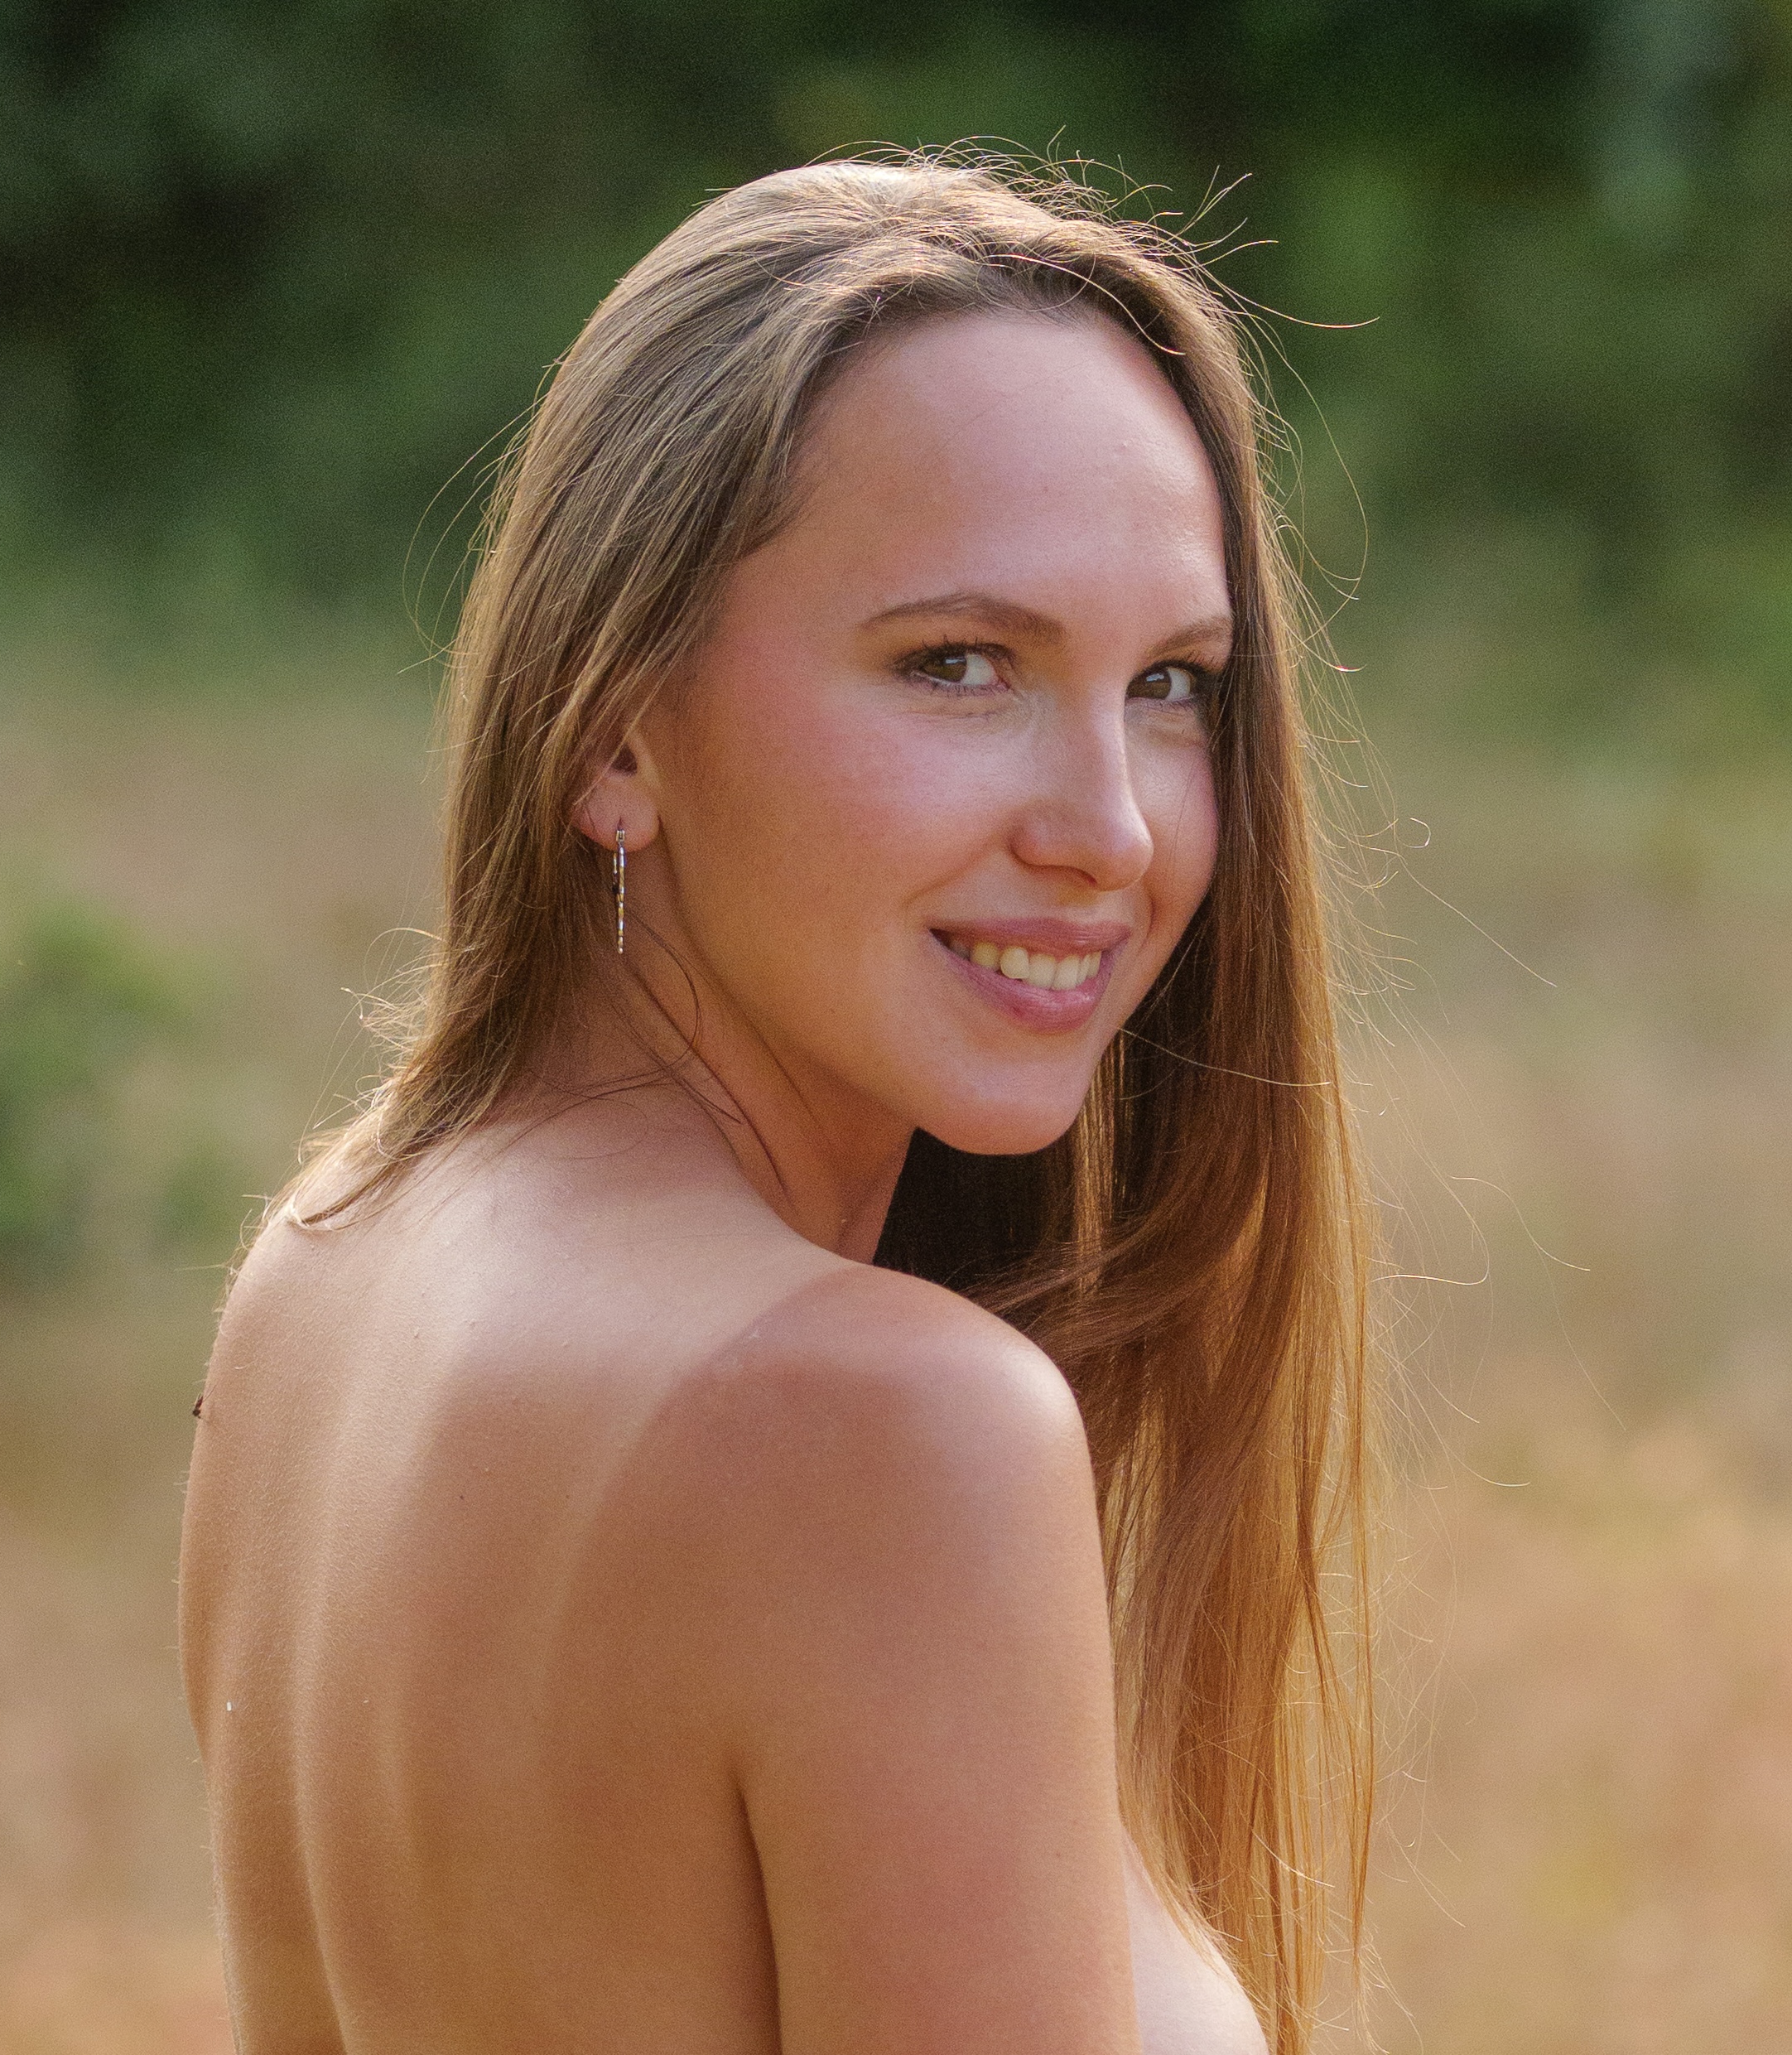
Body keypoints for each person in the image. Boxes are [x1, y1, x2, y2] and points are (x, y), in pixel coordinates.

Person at [179, 152, 1374, 2055]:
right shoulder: (889, 1431)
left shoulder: (323, 1274)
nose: (1114, 830)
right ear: (612, 726)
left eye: (1170, 682)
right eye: (960, 664)